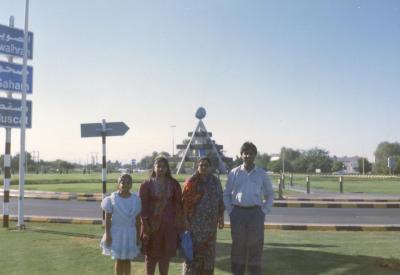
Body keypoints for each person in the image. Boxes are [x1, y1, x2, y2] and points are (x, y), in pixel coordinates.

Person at [223, 142, 274, 275]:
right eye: (245, 153)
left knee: (255, 246)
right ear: (241, 155)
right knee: (238, 246)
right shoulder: (234, 173)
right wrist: (231, 211)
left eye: (251, 153)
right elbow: (226, 193)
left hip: (256, 213)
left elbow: (270, 194)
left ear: (255, 155)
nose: (248, 155)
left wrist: (264, 211)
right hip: (238, 213)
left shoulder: (261, 174)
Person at [139, 156, 184, 275]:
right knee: (150, 258)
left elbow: (178, 205)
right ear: (154, 168)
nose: (161, 169)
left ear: (167, 168)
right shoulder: (146, 185)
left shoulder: (174, 184)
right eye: (158, 166)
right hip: (151, 227)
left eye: (163, 166)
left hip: (169, 227)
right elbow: (142, 207)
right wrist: (146, 224)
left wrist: (178, 225)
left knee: (165, 257)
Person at [182, 157, 225, 275]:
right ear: (198, 167)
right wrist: (185, 220)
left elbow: (220, 200)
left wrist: (221, 217)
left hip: (210, 226)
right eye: (201, 165)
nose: (204, 167)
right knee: (193, 254)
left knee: (208, 255)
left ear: (210, 167)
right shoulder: (191, 181)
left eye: (206, 165)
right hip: (194, 225)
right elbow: (184, 203)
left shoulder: (215, 181)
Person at [100, 173, 141, 275]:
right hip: (116, 233)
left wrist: (138, 236)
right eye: (122, 182)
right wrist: (108, 235)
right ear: (118, 184)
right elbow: (108, 220)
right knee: (118, 259)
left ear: (131, 185)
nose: (125, 184)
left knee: (127, 259)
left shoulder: (136, 200)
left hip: (130, 233)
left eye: (128, 182)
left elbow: (138, 220)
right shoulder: (111, 199)